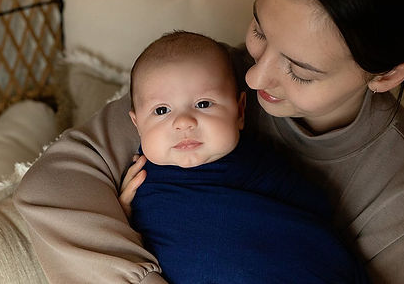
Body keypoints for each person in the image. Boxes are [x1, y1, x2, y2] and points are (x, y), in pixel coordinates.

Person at [14, 0, 404, 282]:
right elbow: (52, 187)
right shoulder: (203, 77)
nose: (252, 76)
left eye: (300, 70)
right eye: (260, 30)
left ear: (388, 75)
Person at [122, 31, 367, 283]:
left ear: (239, 111)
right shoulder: (135, 183)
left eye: (204, 104)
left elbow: (314, 214)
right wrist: (121, 218)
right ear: (137, 123)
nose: (183, 122)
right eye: (161, 110)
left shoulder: (261, 164)